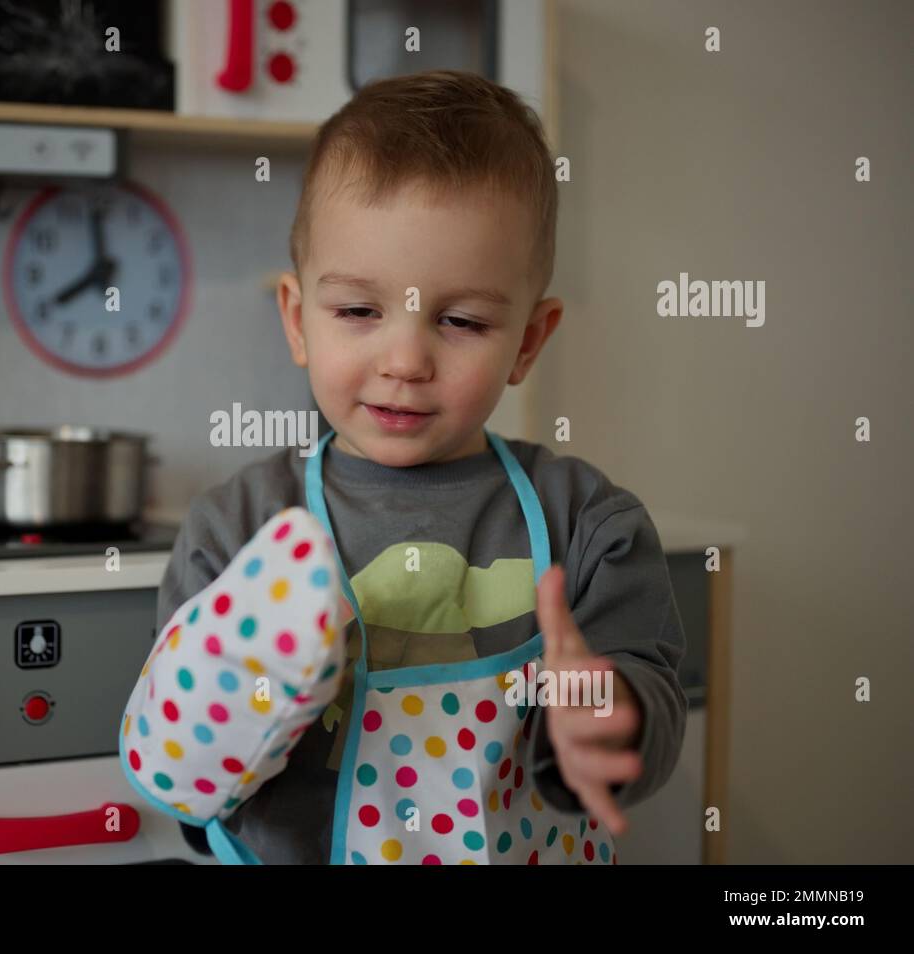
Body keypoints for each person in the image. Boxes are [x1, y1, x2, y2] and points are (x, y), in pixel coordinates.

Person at [134, 70, 686, 865]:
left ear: (528, 341)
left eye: (460, 320)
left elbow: (653, 698)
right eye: (359, 311)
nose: (404, 360)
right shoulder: (239, 529)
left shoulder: (588, 522)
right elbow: (181, 778)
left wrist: (612, 711)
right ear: (298, 319)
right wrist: (232, 706)